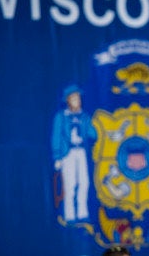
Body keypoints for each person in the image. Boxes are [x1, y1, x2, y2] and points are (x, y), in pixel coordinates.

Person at [51, 84, 96, 223]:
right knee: (70, 184)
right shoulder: (61, 117)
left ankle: (82, 213)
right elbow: (56, 136)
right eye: (74, 99)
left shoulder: (84, 116)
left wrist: (91, 127)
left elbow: (93, 134)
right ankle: (70, 215)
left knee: (84, 182)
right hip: (67, 153)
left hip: (80, 151)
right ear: (68, 100)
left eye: (79, 98)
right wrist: (57, 156)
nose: (77, 101)